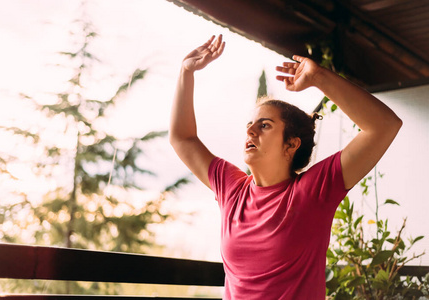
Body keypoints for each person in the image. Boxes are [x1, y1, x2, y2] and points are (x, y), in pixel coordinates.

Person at [169, 34, 402, 299]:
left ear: (291, 144)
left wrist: (318, 78)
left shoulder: (312, 191)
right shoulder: (232, 188)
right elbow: (182, 138)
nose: (251, 131)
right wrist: (186, 73)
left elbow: (383, 126)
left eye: (264, 125)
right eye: (250, 125)